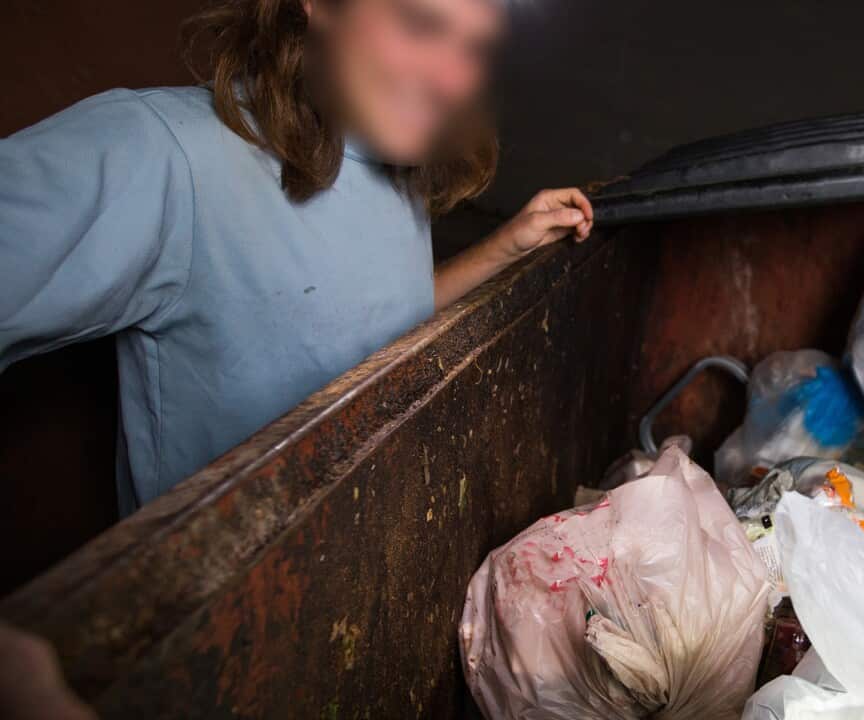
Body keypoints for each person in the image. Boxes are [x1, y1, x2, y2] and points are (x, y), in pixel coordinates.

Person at [0, 0, 594, 516]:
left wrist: (502, 249)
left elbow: (362, 323)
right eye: (419, 23)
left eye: (473, 47)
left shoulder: (394, 154)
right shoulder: (160, 153)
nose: (451, 80)